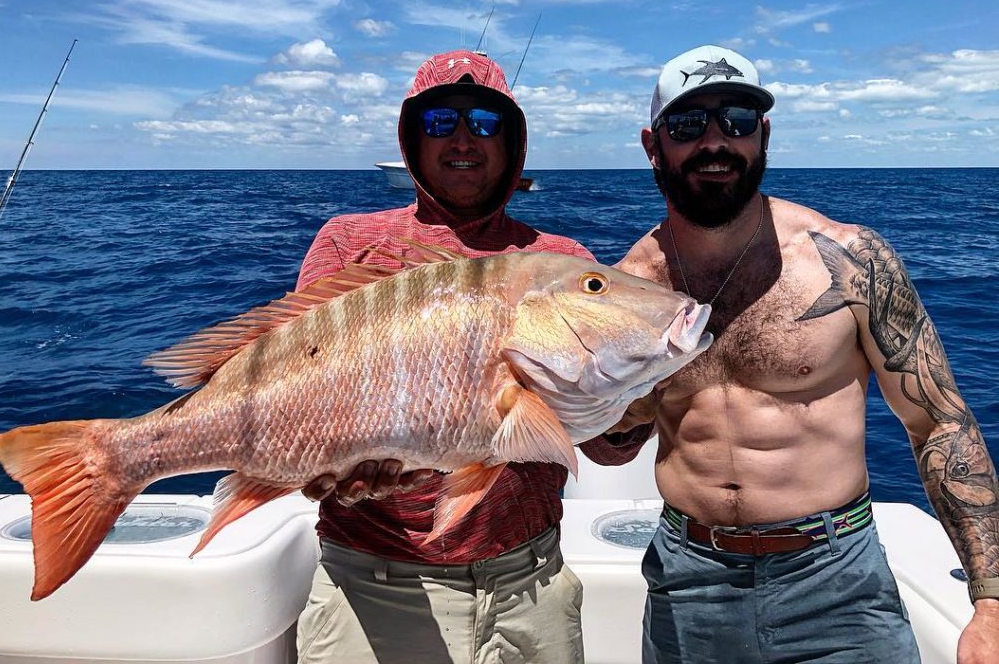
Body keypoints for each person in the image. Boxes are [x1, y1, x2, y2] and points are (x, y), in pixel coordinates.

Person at [613, 44, 999, 663]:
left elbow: (939, 424)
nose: (715, 142)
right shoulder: (625, 287)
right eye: (688, 125)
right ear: (652, 145)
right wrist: (613, 411)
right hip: (687, 581)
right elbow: (612, 443)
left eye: (736, 120)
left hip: (835, 581)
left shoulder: (850, 262)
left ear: (763, 135)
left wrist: (991, 604)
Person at [292, 49, 642, 664]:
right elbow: (299, 397)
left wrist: (641, 398)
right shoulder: (350, 243)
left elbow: (607, 448)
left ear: (511, 144)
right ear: (411, 140)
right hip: (373, 584)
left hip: (530, 585)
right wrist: (327, 464)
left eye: (484, 122)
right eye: (439, 122)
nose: (462, 138)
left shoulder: (561, 258)